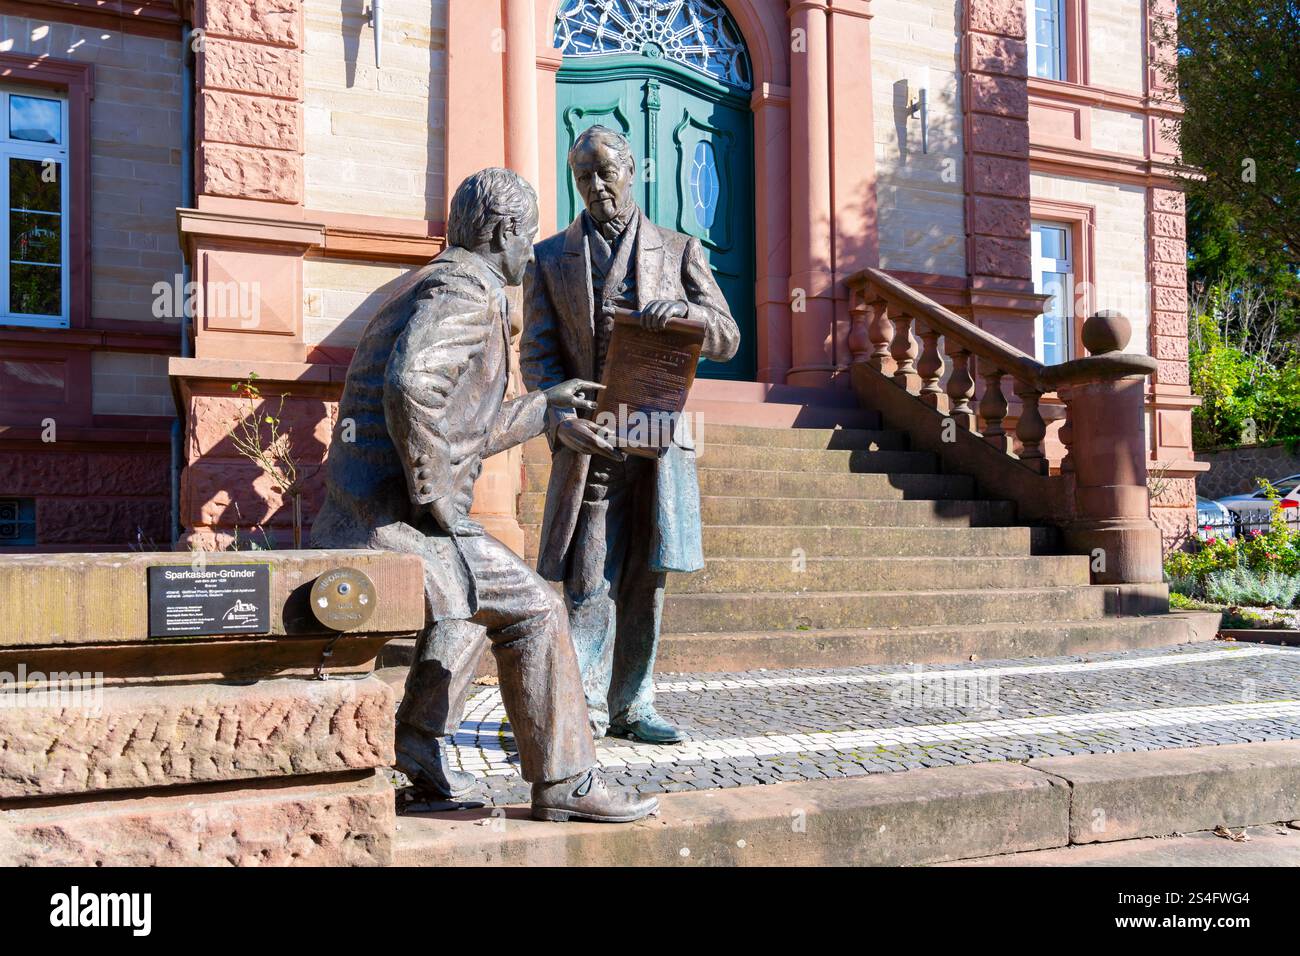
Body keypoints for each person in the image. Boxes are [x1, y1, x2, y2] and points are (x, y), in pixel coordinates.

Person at [310, 167, 657, 823]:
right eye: (527, 238)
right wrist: (438, 500)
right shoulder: (463, 288)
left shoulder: (432, 284)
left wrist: (547, 409)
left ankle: (418, 760)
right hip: (383, 524)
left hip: (370, 516)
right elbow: (413, 386)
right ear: (503, 232)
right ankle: (567, 783)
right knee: (533, 608)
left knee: (468, 602)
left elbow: (456, 421)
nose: (531, 252)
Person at [521, 126, 740, 744]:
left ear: (632, 170)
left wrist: (691, 316)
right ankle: (581, 708)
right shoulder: (547, 259)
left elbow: (728, 338)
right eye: (583, 176)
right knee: (590, 575)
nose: (596, 186)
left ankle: (633, 705)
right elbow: (537, 357)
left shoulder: (677, 250)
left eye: (605, 172)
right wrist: (561, 421)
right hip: (592, 435)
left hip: (658, 435)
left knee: (649, 572)